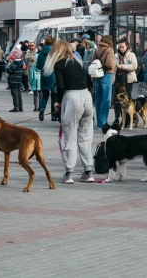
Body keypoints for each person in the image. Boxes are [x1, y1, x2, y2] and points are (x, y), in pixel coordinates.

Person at [43, 40, 94, 184]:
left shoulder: (59, 64)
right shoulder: (77, 61)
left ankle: (69, 172)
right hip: (86, 96)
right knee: (85, 136)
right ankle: (88, 171)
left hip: (72, 97)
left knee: (70, 134)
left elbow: (60, 86)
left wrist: (58, 102)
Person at [113, 38, 138, 125]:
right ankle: (117, 118)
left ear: (127, 46)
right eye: (119, 47)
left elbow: (134, 66)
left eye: (122, 47)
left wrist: (122, 66)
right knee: (116, 99)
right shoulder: (115, 55)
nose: (121, 49)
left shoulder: (132, 55)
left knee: (127, 99)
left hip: (127, 79)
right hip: (117, 79)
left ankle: (128, 119)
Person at [93, 36, 115, 128]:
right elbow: (109, 64)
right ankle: (103, 123)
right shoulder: (109, 50)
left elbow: (92, 61)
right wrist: (113, 66)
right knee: (106, 99)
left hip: (97, 75)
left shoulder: (97, 49)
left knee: (98, 99)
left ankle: (99, 123)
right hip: (106, 74)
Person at [36, 36, 58, 122]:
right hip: (53, 76)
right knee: (54, 96)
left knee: (44, 96)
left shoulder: (41, 53)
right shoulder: (55, 52)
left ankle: (42, 109)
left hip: (44, 76)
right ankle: (53, 115)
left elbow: (38, 66)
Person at [6, 48, 25, 112]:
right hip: (19, 80)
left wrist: (8, 67)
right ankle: (20, 107)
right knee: (19, 94)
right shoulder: (22, 62)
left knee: (14, 94)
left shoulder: (13, 64)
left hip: (13, 81)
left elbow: (10, 71)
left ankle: (16, 107)